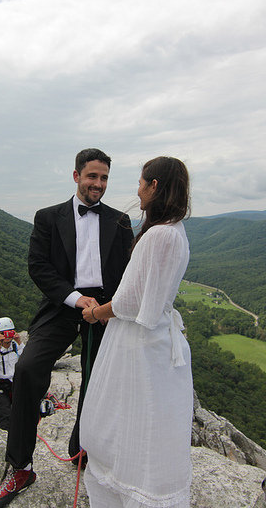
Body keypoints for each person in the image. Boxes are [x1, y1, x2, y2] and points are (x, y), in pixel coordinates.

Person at [0, 149, 134, 508]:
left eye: (103, 178)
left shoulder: (120, 221)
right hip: (62, 305)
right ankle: (20, 466)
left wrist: (105, 308)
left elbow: (126, 272)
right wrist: (74, 299)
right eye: (92, 177)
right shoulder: (48, 217)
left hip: (103, 308)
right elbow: (38, 267)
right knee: (27, 369)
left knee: (96, 377)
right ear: (76, 176)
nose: (98, 184)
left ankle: (81, 447)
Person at [80, 156, 192, 508]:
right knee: (153, 415)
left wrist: (96, 312)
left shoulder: (158, 235)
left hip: (138, 340)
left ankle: (129, 486)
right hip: (159, 336)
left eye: (142, 182)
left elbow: (129, 301)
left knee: (127, 412)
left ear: (154, 186)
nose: (137, 190)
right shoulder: (176, 229)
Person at [0, 316, 24, 431]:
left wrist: (19, 341)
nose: (7, 336)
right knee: (5, 415)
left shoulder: (16, 347)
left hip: (15, 384)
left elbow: (26, 358)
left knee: (25, 412)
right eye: (3, 333)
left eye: (9, 332)